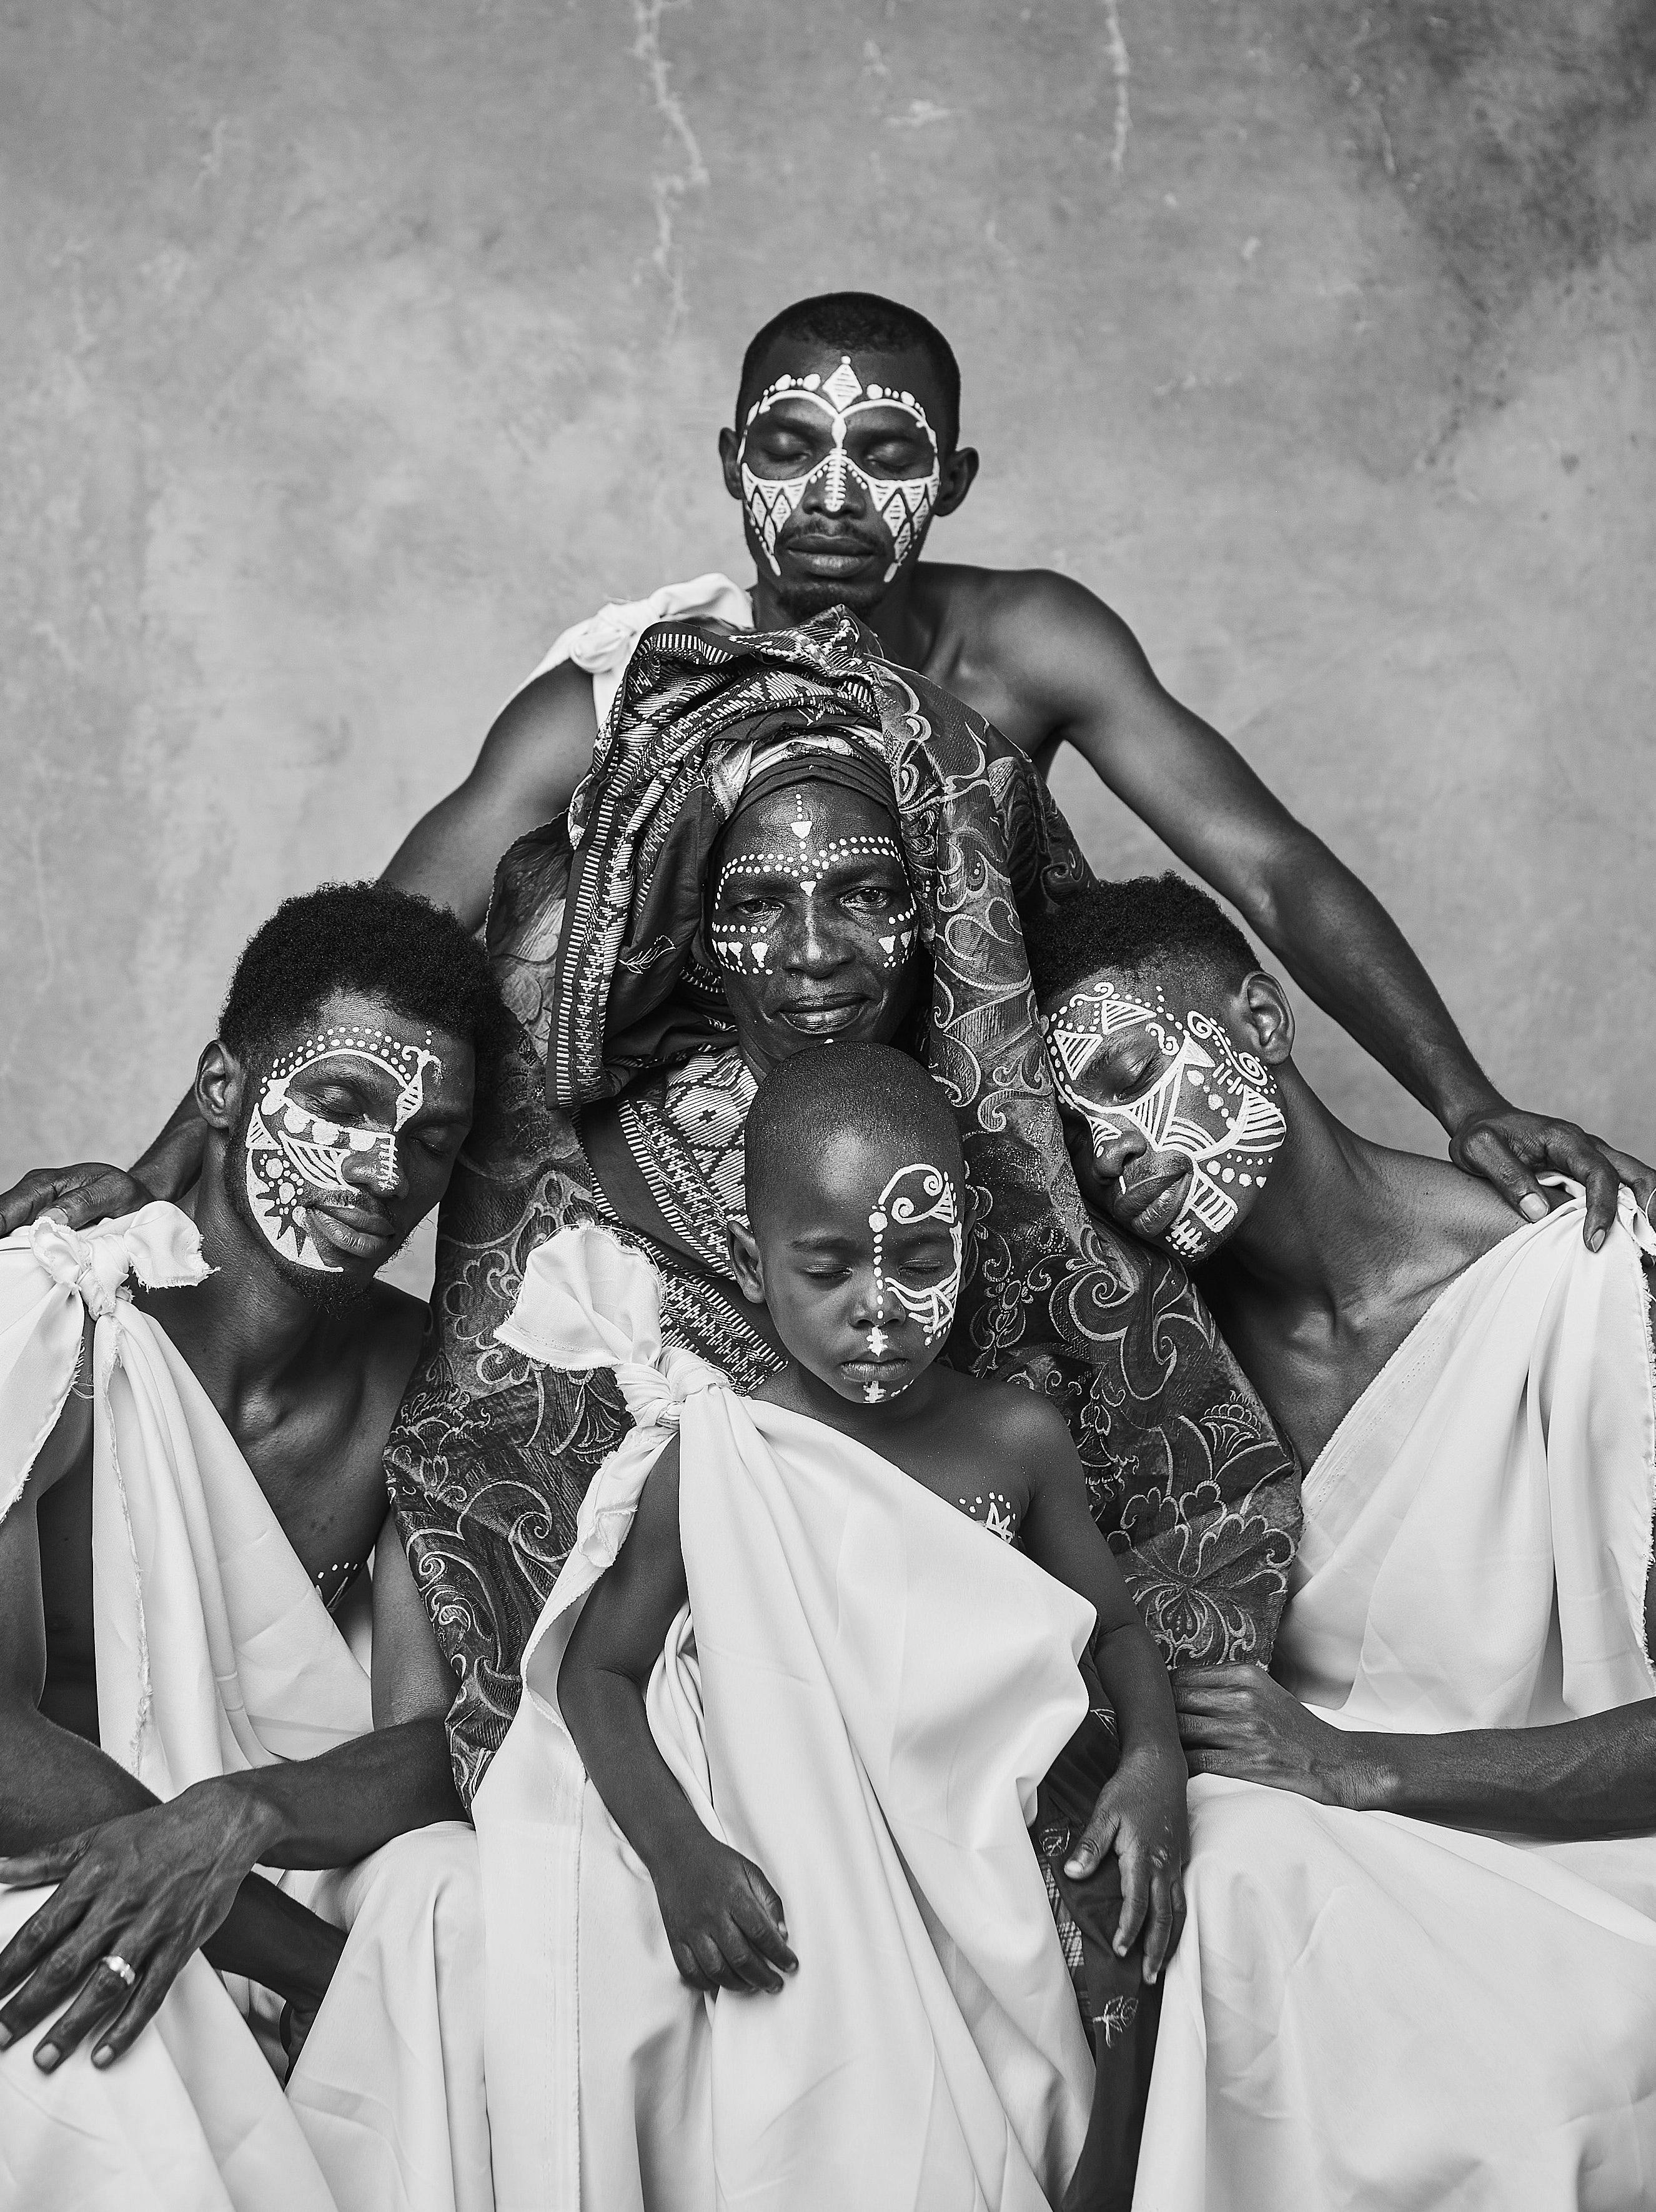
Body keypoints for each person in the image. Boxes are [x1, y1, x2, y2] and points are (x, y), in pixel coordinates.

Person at [5, 295, 1637, 1249]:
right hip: (707, 1164)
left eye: (890, 450)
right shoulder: (627, 678)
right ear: (730, 463)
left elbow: (1264, 864)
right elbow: (391, 924)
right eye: (788, 446)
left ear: (955, 475)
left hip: (991, 1145)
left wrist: (1468, 1097)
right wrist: (155, 1178)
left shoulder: (1025, 642)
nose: (837, 490)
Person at [388, 611, 1301, 1811]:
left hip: (993, 1754)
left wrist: (1111, 1747)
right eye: (759, 904)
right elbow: (488, 1469)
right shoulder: (574, 1165)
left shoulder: (1027, 1123)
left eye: (868, 894)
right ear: (698, 938)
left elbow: (1179, 1481)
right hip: (704, 1757)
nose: (814, 950)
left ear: (935, 911)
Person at [1025, 872, 1656, 2209]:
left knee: (1255, 1876)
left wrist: (1358, 1763)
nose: (1121, 1150)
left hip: (1582, 1870)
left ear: (1264, 1017)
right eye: (1082, 1136)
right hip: (1326, 1874)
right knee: (1211, 1867)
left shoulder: (1587, 1284)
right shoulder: (1164, 1378)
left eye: (1136, 1070)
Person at [480, 1043, 1187, 2210]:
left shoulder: (1018, 1439)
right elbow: (598, 1676)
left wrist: (1154, 1759)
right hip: (812, 1860)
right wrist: (682, 1861)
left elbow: (1111, 1631)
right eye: (827, 1268)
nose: (880, 1307)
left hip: (995, 1840)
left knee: (1124, 1975)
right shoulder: (717, 1455)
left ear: (965, 1243)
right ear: (757, 1270)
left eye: (922, 1261)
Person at [0, 882, 507, 2212]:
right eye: (342, 1101)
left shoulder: (420, 1380)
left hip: (261, 1862)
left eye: (432, 1140)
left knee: (460, 1895)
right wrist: (319, 1972)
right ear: (222, 1086)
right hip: (44, 1881)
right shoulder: (53, 1312)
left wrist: (245, 1816)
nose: (382, 1169)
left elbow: (437, 1739)